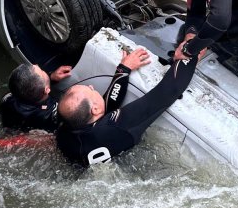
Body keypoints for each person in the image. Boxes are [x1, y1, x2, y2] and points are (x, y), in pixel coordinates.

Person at [56, 47, 199, 168]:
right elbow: (167, 92)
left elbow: (105, 106)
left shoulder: (63, 133)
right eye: (91, 90)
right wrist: (191, 54)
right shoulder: (116, 126)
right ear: (94, 109)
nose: (92, 86)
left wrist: (123, 70)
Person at [0, 63, 75, 132]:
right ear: (47, 90)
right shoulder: (52, 114)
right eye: (42, 72)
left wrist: (50, 77)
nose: (37, 64)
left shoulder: (6, 99)